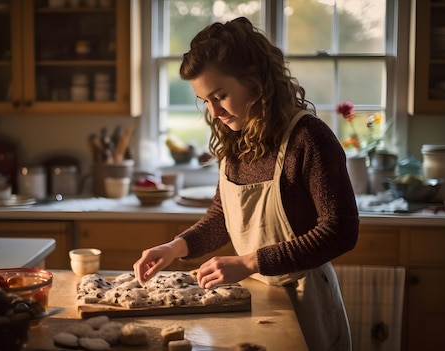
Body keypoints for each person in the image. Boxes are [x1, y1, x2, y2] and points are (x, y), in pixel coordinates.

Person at [133, 17, 359, 351]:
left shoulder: (308, 138)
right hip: (257, 297)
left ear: (255, 80)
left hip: (306, 301)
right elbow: (225, 216)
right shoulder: (236, 138)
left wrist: (250, 261)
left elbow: (340, 231)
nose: (214, 112)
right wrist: (176, 247)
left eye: (220, 95)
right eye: (205, 101)